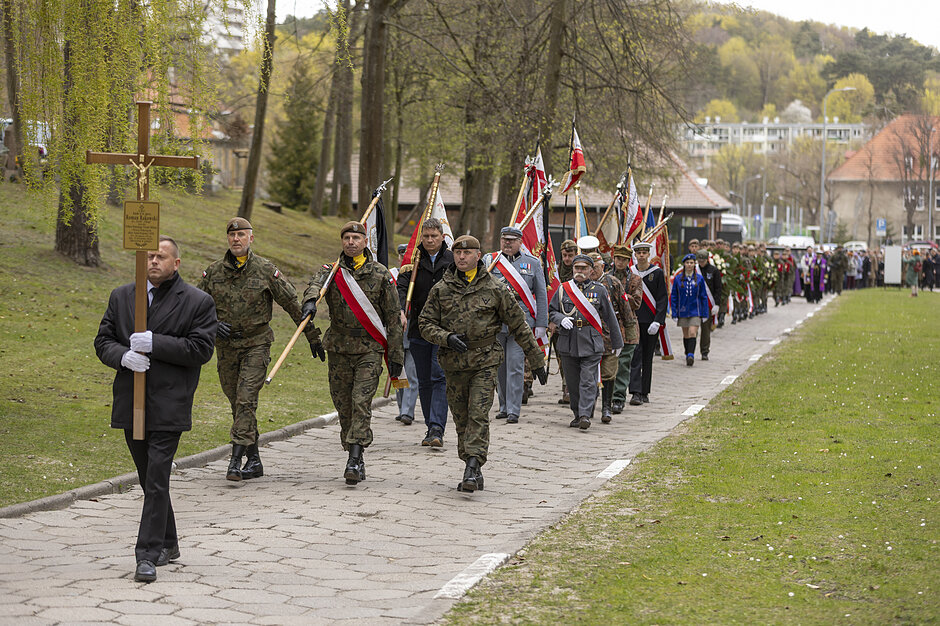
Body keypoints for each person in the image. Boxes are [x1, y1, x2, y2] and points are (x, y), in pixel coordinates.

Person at [94, 236, 217, 583]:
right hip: (130, 403)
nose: (153, 262)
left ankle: (146, 555)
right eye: (149, 256)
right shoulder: (122, 296)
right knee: (151, 480)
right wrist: (122, 356)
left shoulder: (197, 301)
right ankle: (169, 542)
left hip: (169, 403)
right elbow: (103, 341)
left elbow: (201, 348)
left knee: (157, 477)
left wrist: (155, 343)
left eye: (161, 257)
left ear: (176, 263)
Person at [198, 217, 323, 482]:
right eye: (232, 235)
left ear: (251, 238)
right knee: (237, 403)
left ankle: (235, 460)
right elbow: (195, 307)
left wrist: (312, 336)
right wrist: (211, 324)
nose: (236, 239)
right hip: (227, 348)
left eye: (242, 235)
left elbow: (292, 303)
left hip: (256, 344)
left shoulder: (265, 269)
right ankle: (254, 460)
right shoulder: (213, 272)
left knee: (245, 399)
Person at [419, 235, 547, 492]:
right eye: (457, 253)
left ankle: (472, 466)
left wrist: (536, 360)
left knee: (478, 414)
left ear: (479, 256)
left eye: (467, 253)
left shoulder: (496, 288)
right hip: (454, 364)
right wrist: (446, 338)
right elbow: (424, 324)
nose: (462, 257)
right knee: (462, 419)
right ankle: (471, 462)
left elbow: (519, 326)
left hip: (485, 362)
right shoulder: (441, 289)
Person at [302, 221, 403, 485]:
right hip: (339, 347)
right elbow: (314, 285)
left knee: (360, 401)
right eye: (346, 237)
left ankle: (355, 458)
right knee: (343, 405)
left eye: (356, 238)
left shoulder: (380, 274)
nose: (350, 242)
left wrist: (396, 356)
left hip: (369, 348)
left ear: (365, 241)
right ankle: (352, 449)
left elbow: (393, 318)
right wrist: (310, 301)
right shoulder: (332, 270)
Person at [549, 253, 623, 429]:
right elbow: (551, 311)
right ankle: (577, 413)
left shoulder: (599, 290)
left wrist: (617, 342)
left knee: (588, 380)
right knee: (573, 383)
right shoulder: (562, 289)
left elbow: (610, 317)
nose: (580, 272)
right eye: (577, 268)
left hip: (591, 341)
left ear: (591, 270)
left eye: (583, 268)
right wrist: (560, 319)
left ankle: (585, 415)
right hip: (568, 341)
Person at [396, 218, 453, 445]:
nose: (430, 240)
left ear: (442, 237)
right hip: (418, 328)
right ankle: (431, 426)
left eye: (434, 236)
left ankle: (438, 428)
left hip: (443, 327)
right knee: (424, 379)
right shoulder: (413, 259)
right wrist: (401, 309)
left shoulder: (451, 260)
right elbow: (401, 286)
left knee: (439, 376)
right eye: (426, 236)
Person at [483, 226, 548, 424]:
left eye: (512, 240)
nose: (508, 243)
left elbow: (542, 294)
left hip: (522, 321)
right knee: (499, 366)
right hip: (496, 321)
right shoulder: (490, 261)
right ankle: (503, 405)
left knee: (515, 365)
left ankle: (514, 409)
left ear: (520, 242)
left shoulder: (533, 263)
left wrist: (541, 324)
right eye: (505, 240)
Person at [590, 252, 630, 422]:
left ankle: (606, 407)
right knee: (588, 375)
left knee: (608, 373)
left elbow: (625, 310)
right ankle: (588, 407)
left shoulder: (613, 283)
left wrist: (628, 337)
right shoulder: (579, 285)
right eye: (588, 267)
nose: (591, 271)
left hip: (609, 337)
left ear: (603, 267)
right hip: (588, 338)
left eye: (595, 267)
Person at [628, 241, 667, 405]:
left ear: (648, 254)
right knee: (635, 356)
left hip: (651, 322)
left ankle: (645, 391)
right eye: (639, 252)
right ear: (635, 255)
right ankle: (635, 392)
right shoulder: (630, 273)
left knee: (647, 358)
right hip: (634, 320)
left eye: (644, 252)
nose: (642, 255)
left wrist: (658, 321)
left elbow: (662, 298)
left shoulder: (656, 273)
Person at [609, 244, 641, 414]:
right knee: (609, 362)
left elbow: (637, 302)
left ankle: (619, 398)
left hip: (628, 325)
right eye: (618, 258)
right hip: (610, 324)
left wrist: (623, 296)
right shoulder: (607, 277)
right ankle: (607, 395)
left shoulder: (635, 280)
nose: (620, 262)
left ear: (629, 261)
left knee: (623, 364)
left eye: (624, 259)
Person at [390, 243, 419, 425]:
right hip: (395, 333)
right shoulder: (391, 276)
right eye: (401, 255)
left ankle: (408, 411)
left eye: (406, 255)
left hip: (413, 331)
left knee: (411, 373)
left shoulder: (415, 277)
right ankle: (402, 408)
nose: (403, 258)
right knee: (398, 374)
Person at [670, 254, 711, 367]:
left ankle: (691, 355)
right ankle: (687, 351)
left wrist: (704, 313)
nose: (689, 265)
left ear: (694, 264)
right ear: (684, 264)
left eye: (692, 263)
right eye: (687, 263)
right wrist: (674, 312)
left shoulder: (699, 278)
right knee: (686, 334)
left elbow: (703, 296)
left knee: (692, 332)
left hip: (695, 310)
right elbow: (674, 296)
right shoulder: (678, 279)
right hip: (683, 310)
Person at [554, 239, 578, 405]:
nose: (568, 259)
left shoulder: (580, 270)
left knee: (574, 355)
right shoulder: (554, 271)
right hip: (558, 319)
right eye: (565, 255)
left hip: (576, 319)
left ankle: (572, 388)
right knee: (561, 355)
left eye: (571, 255)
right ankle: (566, 386)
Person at [696, 249, 721, 361]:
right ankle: (689, 351)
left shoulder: (714, 271)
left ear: (707, 260)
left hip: (708, 304)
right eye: (699, 260)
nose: (701, 263)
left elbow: (718, 288)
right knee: (692, 329)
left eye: (703, 260)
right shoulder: (694, 270)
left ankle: (704, 351)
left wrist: (717, 304)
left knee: (706, 330)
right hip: (695, 304)